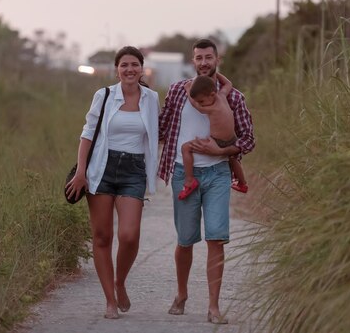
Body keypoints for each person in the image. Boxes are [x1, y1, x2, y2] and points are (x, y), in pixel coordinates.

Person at [158, 38, 255, 324]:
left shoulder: (233, 97)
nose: (203, 62)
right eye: (198, 58)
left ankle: (213, 306)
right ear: (193, 61)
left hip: (217, 174)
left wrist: (221, 151)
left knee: (216, 239)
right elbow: (161, 127)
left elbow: (248, 140)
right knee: (185, 240)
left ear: (217, 60)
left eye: (208, 57)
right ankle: (182, 294)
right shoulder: (178, 91)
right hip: (183, 173)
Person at [65, 46, 159, 319]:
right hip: (101, 169)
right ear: (117, 69)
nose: (129, 69)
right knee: (102, 236)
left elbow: (158, 132)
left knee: (129, 235)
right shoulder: (104, 95)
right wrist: (81, 172)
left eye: (134, 65)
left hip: (133, 170)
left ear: (142, 68)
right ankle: (109, 299)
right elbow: (87, 134)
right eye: (124, 65)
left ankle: (120, 281)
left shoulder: (151, 98)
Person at [178, 72, 248, 200]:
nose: (202, 103)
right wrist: (217, 73)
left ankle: (189, 181)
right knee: (233, 158)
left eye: (202, 101)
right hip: (232, 139)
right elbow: (228, 84)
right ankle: (242, 183)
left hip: (217, 142)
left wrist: (188, 89)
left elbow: (195, 105)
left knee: (185, 148)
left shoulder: (211, 108)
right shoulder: (222, 95)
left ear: (212, 94)